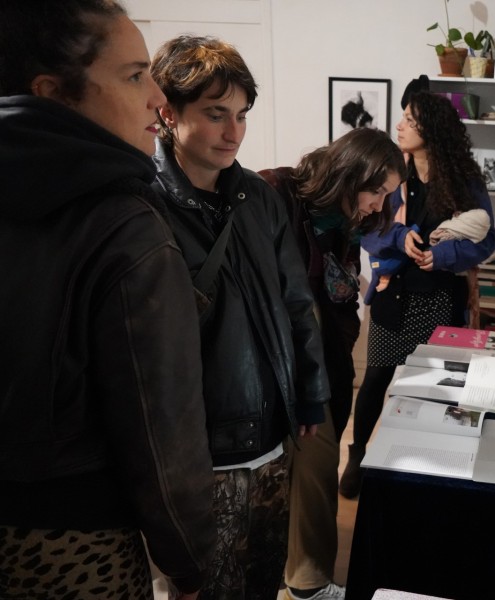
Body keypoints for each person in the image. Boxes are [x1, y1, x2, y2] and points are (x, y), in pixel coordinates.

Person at [0, 2, 215, 599]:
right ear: (52, 92)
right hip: (71, 543)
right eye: (134, 75)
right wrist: (187, 561)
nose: (158, 99)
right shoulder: (123, 224)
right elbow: (161, 428)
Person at [150, 35, 330, 599]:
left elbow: (296, 302)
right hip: (197, 448)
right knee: (205, 585)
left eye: (242, 115)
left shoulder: (259, 197)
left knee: (262, 576)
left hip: (271, 428)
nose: (234, 132)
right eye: (215, 114)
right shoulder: (142, 203)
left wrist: (311, 393)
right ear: (168, 113)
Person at [258, 127, 406, 600]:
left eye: (386, 195)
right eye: (376, 191)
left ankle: (304, 580)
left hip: (318, 357)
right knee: (312, 464)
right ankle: (307, 585)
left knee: (313, 466)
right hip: (273, 361)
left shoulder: (344, 221)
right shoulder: (275, 191)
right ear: (350, 172)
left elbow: (337, 300)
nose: (378, 205)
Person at [339, 89, 495, 499]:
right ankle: (357, 456)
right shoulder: (392, 175)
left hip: (441, 298)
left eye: (409, 119)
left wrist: (441, 255)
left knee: (433, 386)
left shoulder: (464, 181)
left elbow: (486, 239)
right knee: (376, 379)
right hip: (393, 294)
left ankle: (419, 463)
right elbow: (365, 229)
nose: (400, 125)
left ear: (432, 129)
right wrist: (399, 236)